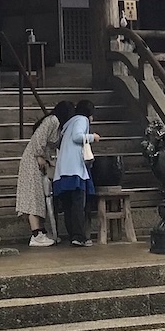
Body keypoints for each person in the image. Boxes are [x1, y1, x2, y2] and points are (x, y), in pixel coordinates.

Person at [17, 101, 73, 247]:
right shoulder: (53, 120)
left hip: (38, 160)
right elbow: (39, 139)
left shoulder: (54, 122)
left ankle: (41, 231)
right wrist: (39, 156)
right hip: (32, 161)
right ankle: (36, 234)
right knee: (33, 196)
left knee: (39, 197)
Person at [53, 100, 100, 247]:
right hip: (75, 169)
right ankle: (79, 236)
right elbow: (77, 137)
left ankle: (73, 235)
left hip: (63, 170)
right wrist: (93, 137)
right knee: (78, 203)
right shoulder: (82, 119)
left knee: (68, 205)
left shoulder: (67, 125)